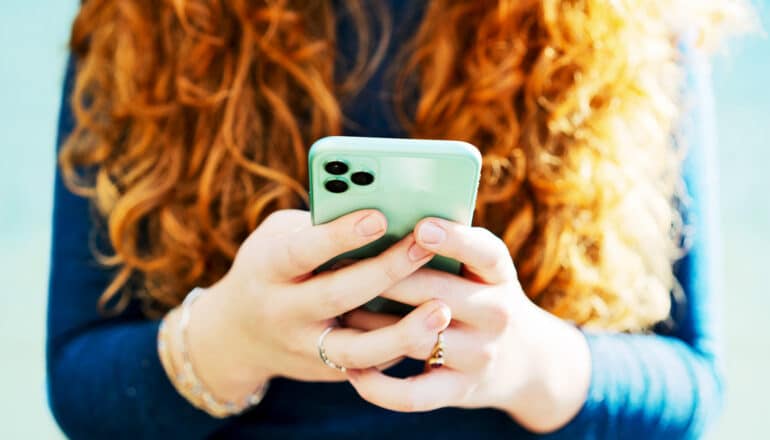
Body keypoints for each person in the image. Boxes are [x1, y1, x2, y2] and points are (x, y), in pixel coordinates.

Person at [46, 1, 747, 438]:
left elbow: (694, 384)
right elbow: (78, 383)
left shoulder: (634, 19)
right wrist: (228, 342)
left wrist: (528, 364)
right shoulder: (140, 18)